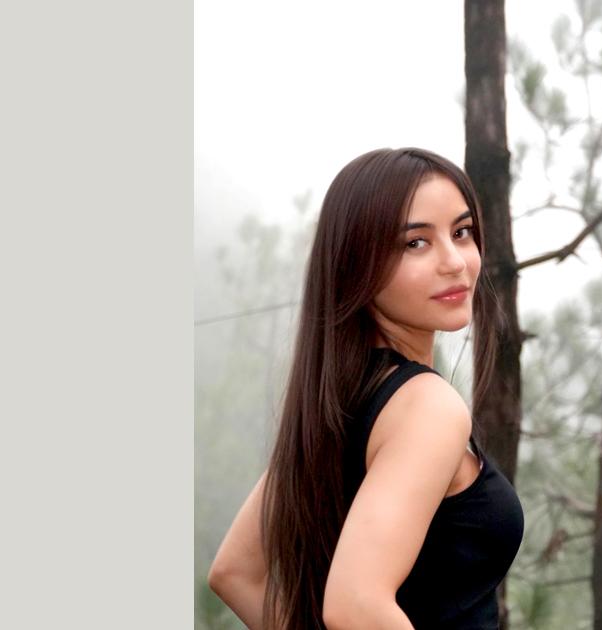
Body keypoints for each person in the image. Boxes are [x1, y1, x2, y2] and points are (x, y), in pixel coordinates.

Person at [208, 147, 525, 629]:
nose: (454, 262)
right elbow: (356, 605)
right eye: (416, 243)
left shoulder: (340, 398)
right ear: (357, 264)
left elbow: (236, 572)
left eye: (461, 233)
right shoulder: (428, 408)